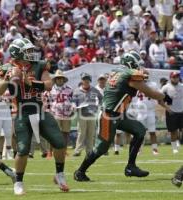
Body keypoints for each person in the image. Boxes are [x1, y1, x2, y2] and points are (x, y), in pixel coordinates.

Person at [0, 38, 69, 195]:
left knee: (59, 142)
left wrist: (28, 82)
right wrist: (7, 79)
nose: (32, 53)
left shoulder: (39, 66)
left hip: (40, 110)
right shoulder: (7, 68)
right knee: (22, 149)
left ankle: (59, 174)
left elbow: (49, 85)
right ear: (18, 53)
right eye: (28, 51)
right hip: (21, 113)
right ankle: (18, 182)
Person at [73, 51, 170, 182]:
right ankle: (80, 171)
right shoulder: (129, 76)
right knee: (102, 148)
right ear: (130, 64)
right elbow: (151, 93)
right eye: (137, 64)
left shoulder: (118, 72)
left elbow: (142, 75)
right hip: (109, 115)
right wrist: (164, 96)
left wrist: (143, 73)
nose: (139, 67)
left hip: (119, 114)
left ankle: (131, 167)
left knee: (139, 130)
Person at [73, 73, 102, 157]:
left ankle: (89, 151)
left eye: (87, 79)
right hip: (81, 114)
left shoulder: (94, 90)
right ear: (81, 80)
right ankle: (78, 151)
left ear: (90, 80)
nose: (85, 81)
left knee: (91, 133)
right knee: (81, 133)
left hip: (92, 114)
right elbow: (73, 101)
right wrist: (74, 106)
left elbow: (101, 98)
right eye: (84, 79)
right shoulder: (77, 90)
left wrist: (98, 106)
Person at [43, 70, 74, 153]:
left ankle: (64, 150)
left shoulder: (70, 89)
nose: (60, 80)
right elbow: (46, 102)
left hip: (66, 114)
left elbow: (73, 101)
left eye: (61, 78)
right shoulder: (49, 90)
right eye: (58, 78)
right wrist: (47, 112)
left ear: (64, 79)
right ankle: (50, 151)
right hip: (54, 114)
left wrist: (73, 108)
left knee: (65, 133)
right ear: (55, 80)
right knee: (53, 133)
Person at [131, 71, 160, 155]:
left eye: (146, 75)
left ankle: (155, 149)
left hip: (150, 110)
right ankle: (139, 149)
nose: (145, 77)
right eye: (144, 75)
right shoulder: (137, 84)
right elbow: (133, 98)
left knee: (152, 131)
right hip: (140, 111)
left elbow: (158, 95)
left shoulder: (153, 84)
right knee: (139, 132)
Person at [160, 71, 183, 154]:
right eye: (174, 77)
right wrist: (167, 108)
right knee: (173, 131)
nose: (176, 78)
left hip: (181, 111)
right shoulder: (166, 87)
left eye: (177, 76)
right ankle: (174, 148)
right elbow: (159, 99)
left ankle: (178, 141)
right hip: (171, 112)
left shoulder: (182, 86)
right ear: (170, 78)